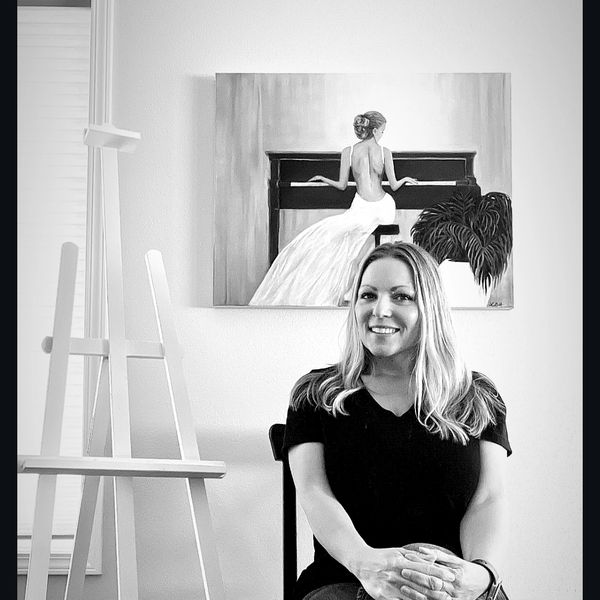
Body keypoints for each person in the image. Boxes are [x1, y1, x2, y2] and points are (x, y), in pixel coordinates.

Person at [282, 241, 512, 600]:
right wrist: (367, 565)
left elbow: (488, 499)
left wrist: (481, 574)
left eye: (402, 296)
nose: (380, 310)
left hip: (448, 586)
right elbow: (314, 493)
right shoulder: (317, 394)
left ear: (430, 306)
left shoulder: (476, 397)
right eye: (368, 295)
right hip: (345, 582)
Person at [249, 111, 417, 306]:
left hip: (364, 206)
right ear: (374, 130)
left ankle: (353, 288)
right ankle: (358, 287)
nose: (382, 134)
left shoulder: (349, 152)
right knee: (354, 241)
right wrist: (405, 179)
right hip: (383, 205)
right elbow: (394, 186)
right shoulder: (384, 152)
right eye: (382, 131)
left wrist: (323, 178)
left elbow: (342, 185)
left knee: (338, 237)